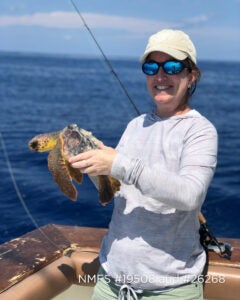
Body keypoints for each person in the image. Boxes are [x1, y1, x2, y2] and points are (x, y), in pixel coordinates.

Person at [69, 29, 218, 299]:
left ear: (191, 75)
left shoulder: (200, 131)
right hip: (110, 281)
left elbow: (190, 195)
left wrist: (120, 164)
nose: (161, 76)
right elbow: (119, 187)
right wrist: (94, 163)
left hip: (171, 288)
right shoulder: (135, 126)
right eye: (152, 67)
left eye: (172, 66)